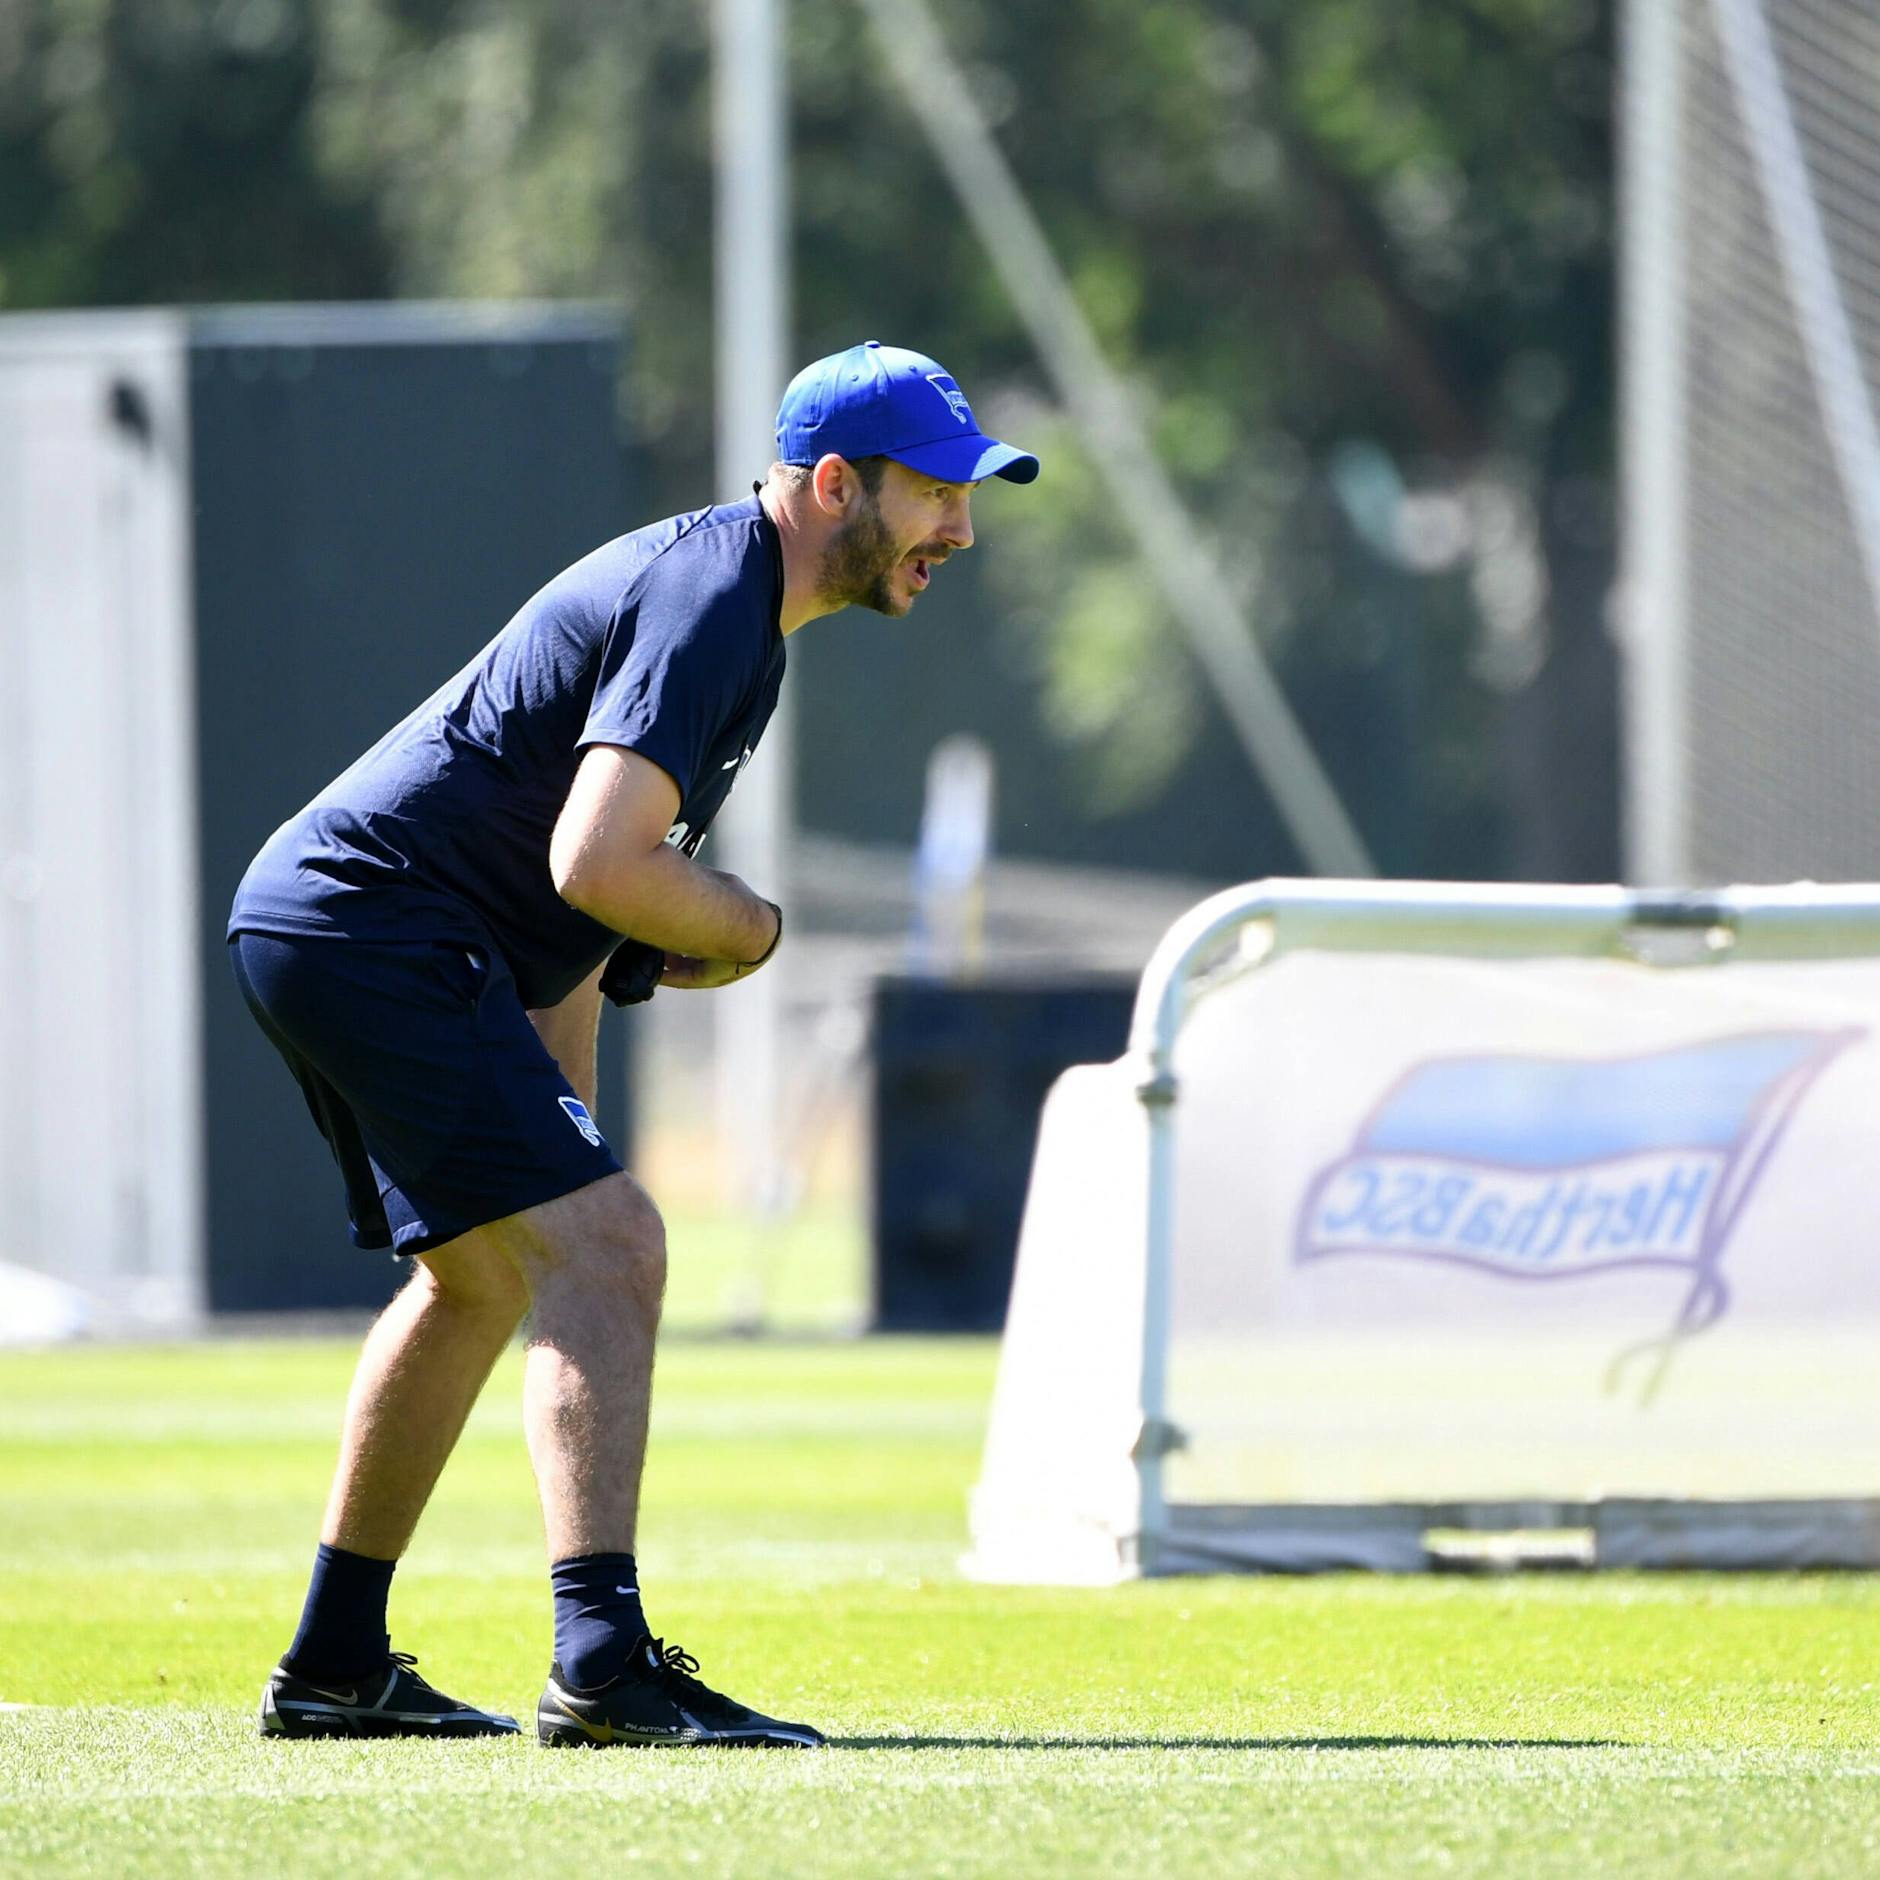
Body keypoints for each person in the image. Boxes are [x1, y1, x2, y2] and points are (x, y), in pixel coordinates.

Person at [227, 340, 1038, 1747]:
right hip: (371, 931)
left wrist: (580, 1156)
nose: (961, 528)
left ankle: (336, 1663)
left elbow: (579, 938)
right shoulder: (719, 593)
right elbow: (602, 862)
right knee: (608, 1247)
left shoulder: (741, 615)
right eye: (936, 495)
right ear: (834, 484)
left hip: (345, 928)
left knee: (484, 1282)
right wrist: (758, 928)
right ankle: (601, 1666)